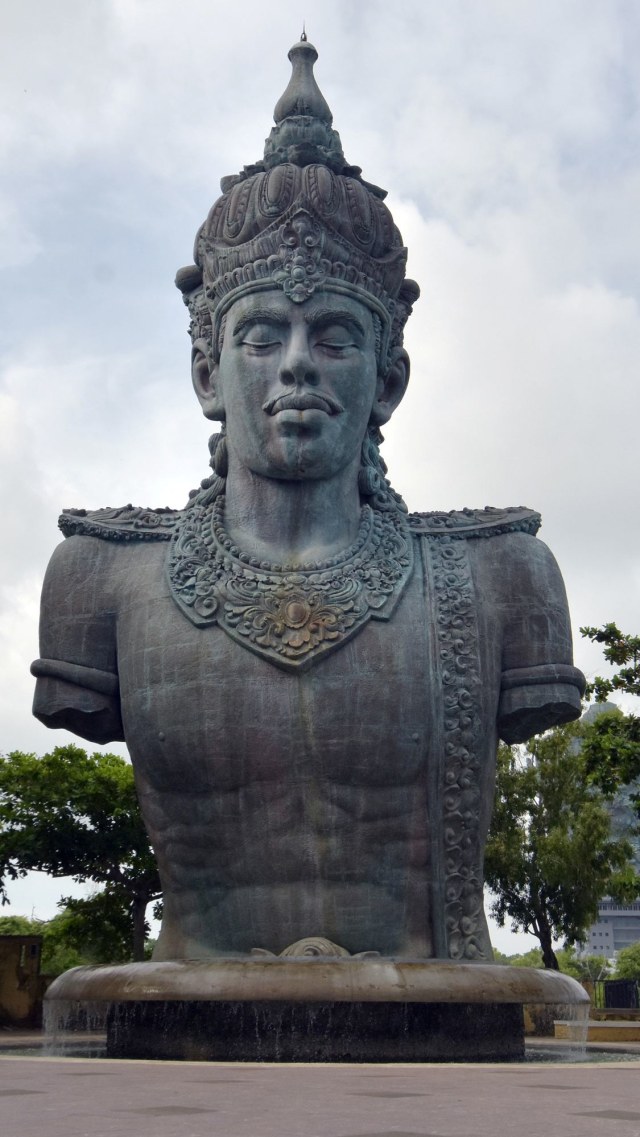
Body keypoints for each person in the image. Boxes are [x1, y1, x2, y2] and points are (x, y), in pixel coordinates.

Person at [31, 37, 584, 963]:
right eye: (260, 337)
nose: (295, 363)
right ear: (207, 373)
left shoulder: (498, 578)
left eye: (332, 334)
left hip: (440, 1029)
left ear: (388, 378)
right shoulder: (100, 578)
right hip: (181, 1031)